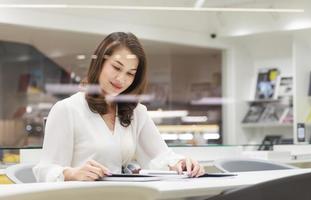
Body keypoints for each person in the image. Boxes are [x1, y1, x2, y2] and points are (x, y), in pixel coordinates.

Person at [33, 32, 205, 182]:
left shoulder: (136, 112)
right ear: (100, 62)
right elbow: (45, 170)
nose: (121, 79)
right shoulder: (67, 109)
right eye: (116, 67)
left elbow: (161, 156)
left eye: (130, 74)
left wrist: (182, 163)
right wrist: (72, 174)